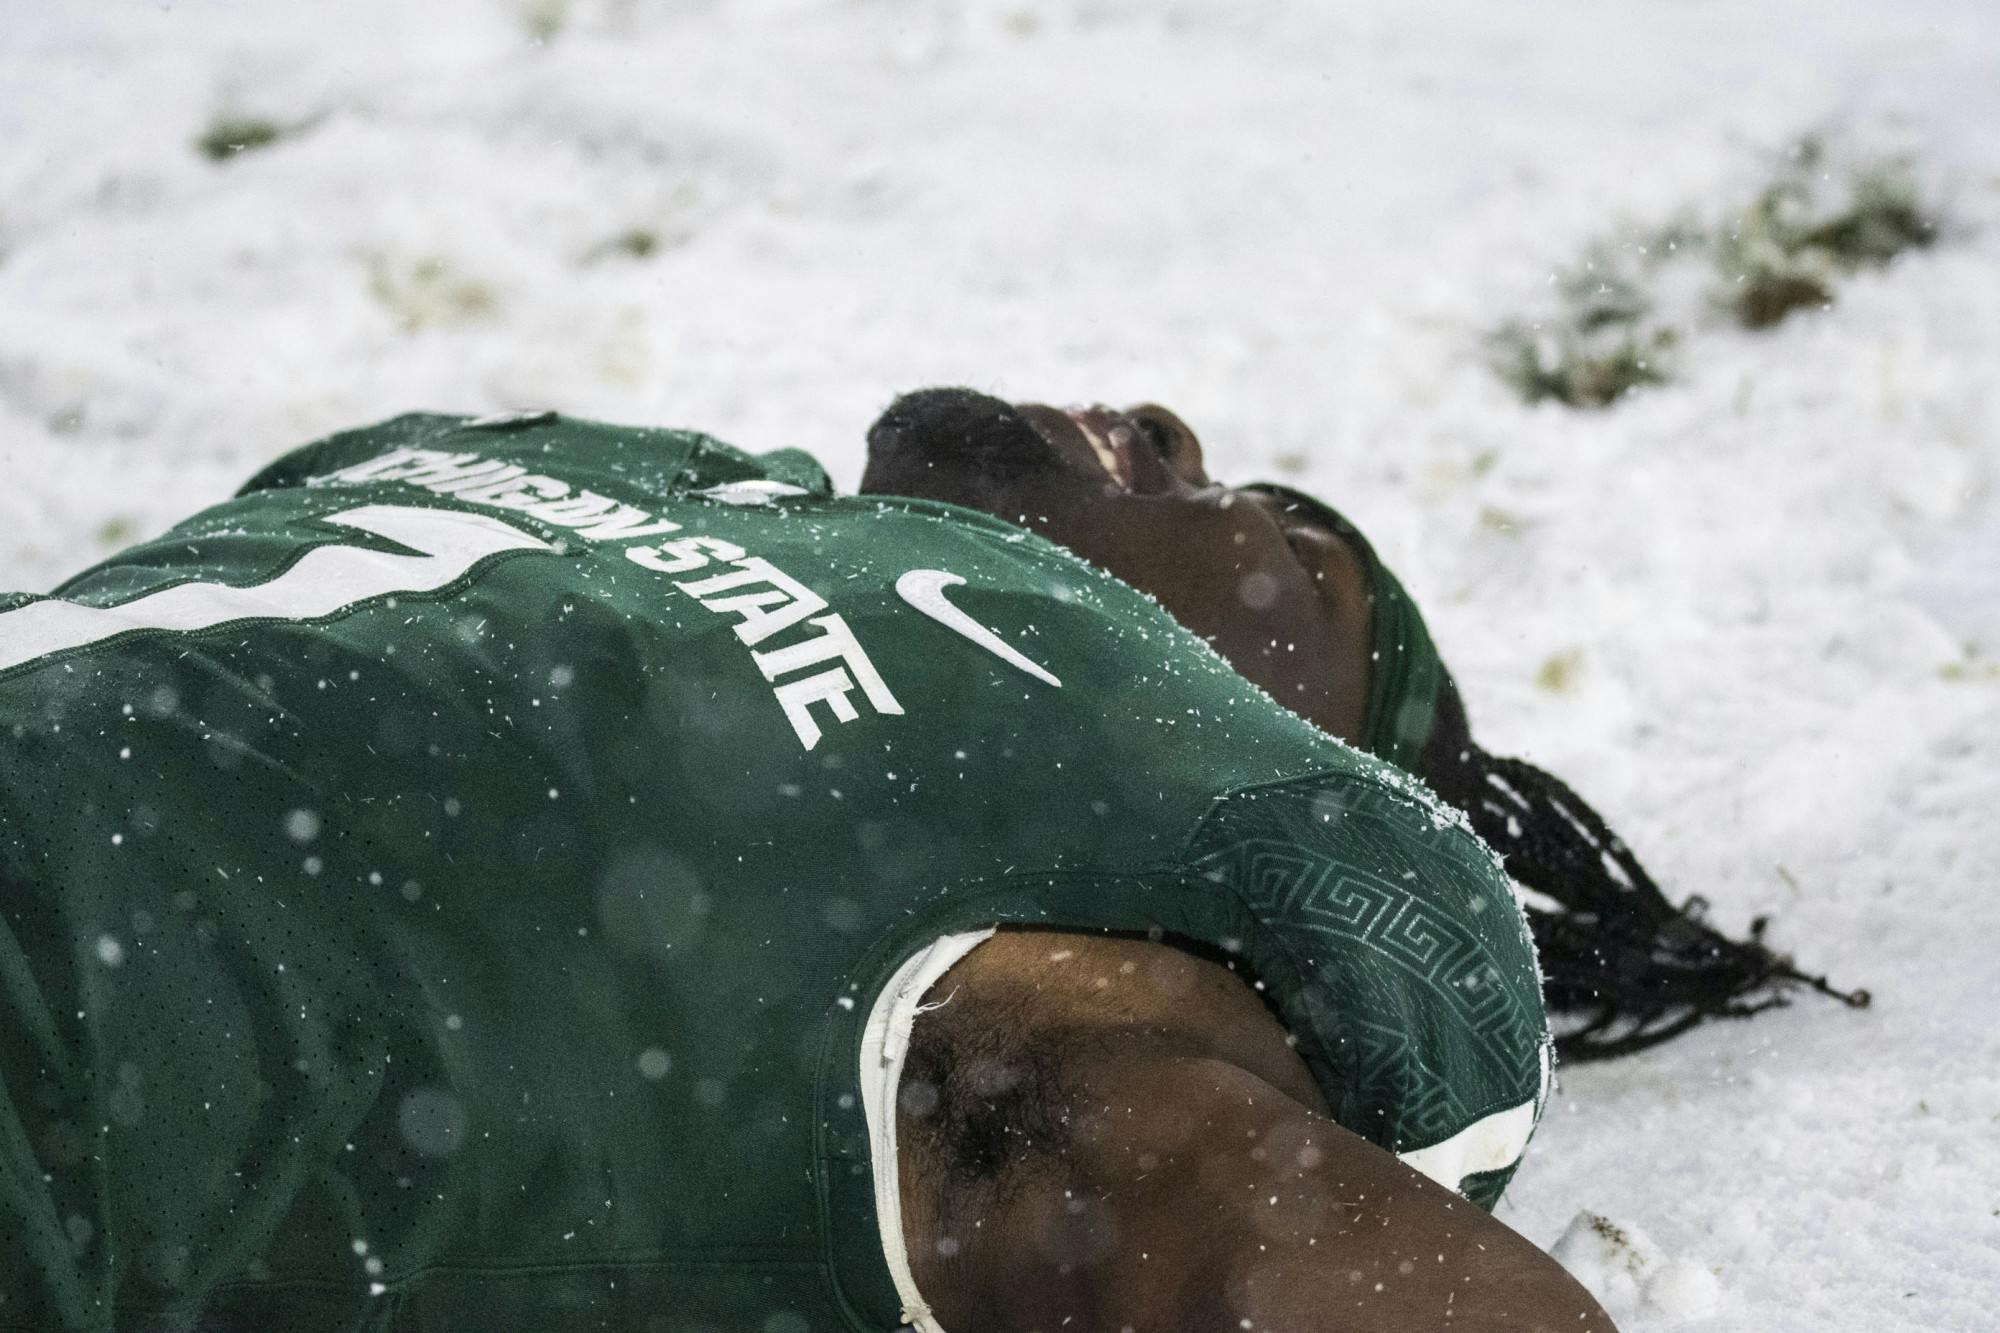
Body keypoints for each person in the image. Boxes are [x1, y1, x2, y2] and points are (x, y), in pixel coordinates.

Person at [0, 389, 1841, 1331]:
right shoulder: (645, 474)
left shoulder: (1128, 837)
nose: (1181, 435)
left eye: (1288, 549)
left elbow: (1233, 1222)